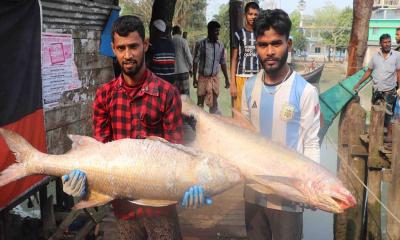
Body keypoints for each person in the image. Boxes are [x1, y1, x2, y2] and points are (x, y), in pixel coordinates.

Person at [61, 15, 210, 240]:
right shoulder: (105, 96)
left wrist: (192, 184)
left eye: (134, 46)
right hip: (121, 207)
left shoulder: (167, 93)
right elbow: (100, 151)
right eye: (121, 48)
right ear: (113, 48)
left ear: (146, 45)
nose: (128, 55)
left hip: (161, 205)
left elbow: (177, 153)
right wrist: (82, 179)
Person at [241, 9, 320, 240]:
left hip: (289, 199)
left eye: (276, 43)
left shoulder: (305, 91)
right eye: (263, 45)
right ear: (256, 46)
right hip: (253, 193)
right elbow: (245, 137)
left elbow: (311, 143)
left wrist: (312, 186)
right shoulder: (250, 87)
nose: (270, 52)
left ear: (289, 43)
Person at [353, 33, 400, 143]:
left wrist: (399, 88)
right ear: (380, 44)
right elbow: (369, 71)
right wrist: (359, 83)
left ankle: (389, 135)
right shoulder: (375, 56)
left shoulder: (397, 55)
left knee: (389, 113)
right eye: (385, 42)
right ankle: (373, 132)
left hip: (390, 90)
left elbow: (398, 72)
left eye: (389, 42)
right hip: (377, 90)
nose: (387, 44)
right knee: (374, 110)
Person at [193, 20, 230, 114]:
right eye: (216, 31)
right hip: (202, 78)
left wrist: (226, 78)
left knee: (214, 104)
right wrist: (194, 78)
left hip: (214, 78)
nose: (218, 33)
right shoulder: (200, 44)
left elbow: (222, 62)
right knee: (200, 104)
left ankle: (213, 126)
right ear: (209, 31)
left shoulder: (220, 45)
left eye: (218, 31)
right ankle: (199, 125)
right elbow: (195, 61)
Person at [230, 2, 260, 112]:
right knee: (239, 112)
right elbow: (234, 59)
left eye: (255, 14)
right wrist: (233, 83)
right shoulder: (238, 34)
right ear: (245, 15)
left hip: (256, 78)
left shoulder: (261, 34)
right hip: (240, 77)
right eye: (250, 14)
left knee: (255, 111)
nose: (253, 17)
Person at [146, 19, 176, 84]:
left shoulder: (153, 43)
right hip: (171, 79)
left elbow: (147, 63)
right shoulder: (171, 44)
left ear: (156, 30)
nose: (151, 31)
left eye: (152, 29)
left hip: (158, 80)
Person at [172, 25, 193, 95]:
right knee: (185, 95)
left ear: (172, 32)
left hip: (173, 73)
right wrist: (191, 69)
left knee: (175, 95)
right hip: (183, 71)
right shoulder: (183, 41)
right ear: (180, 32)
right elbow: (188, 56)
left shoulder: (170, 41)